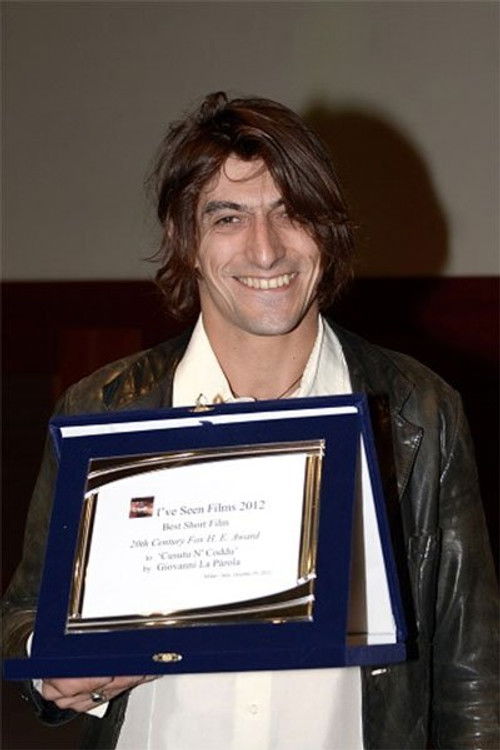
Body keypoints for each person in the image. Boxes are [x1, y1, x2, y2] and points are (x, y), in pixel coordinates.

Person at [2, 92, 498, 749]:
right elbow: (25, 614)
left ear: (328, 230)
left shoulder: (419, 410)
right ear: (186, 239)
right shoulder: (104, 408)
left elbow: (472, 675)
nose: (265, 251)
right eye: (229, 217)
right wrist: (52, 669)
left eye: (292, 212)